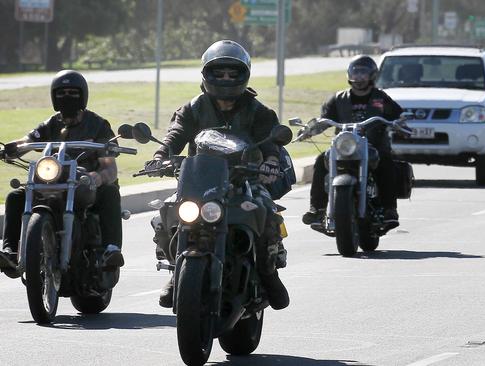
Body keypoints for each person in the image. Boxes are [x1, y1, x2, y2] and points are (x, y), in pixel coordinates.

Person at [145, 40, 289, 310]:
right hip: (199, 181)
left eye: (231, 74)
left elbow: (271, 143)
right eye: (219, 73)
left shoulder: (258, 111)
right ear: (207, 74)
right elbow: (175, 136)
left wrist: (270, 162)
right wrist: (159, 157)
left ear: (243, 75)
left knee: (265, 211)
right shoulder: (192, 108)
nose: (225, 79)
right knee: (165, 213)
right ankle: (178, 273)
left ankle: (269, 273)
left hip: (244, 181)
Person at [0, 70, 124, 277]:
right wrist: (14, 147)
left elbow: (109, 167)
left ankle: (111, 250)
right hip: (54, 181)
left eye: (72, 93)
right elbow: (29, 140)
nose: (67, 97)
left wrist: (99, 177)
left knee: (110, 192)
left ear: (82, 95)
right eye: (61, 93)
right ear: (54, 97)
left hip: (86, 182)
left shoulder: (97, 125)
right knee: (15, 197)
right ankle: (11, 252)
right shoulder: (51, 123)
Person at [302, 55, 404, 229]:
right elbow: (324, 120)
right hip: (344, 147)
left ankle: (389, 210)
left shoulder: (381, 98)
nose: (359, 77)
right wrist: (310, 130)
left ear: (372, 75)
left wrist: (400, 123)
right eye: (356, 73)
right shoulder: (338, 99)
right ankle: (317, 210)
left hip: (374, 146)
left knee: (387, 161)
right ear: (349, 74)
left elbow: (398, 115)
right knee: (320, 161)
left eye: (363, 73)